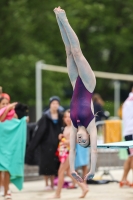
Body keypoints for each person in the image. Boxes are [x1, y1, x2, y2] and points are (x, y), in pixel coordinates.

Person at [53, 7, 97, 182]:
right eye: (83, 141)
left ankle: (58, 19)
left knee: (68, 51)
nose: (80, 140)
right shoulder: (91, 125)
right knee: (77, 53)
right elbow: (93, 150)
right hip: (87, 84)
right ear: (87, 136)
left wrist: (72, 170)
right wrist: (92, 171)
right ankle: (64, 19)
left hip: (74, 83)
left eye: (80, 142)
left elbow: (72, 150)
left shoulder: (72, 126)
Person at [51, 110, 88, 199]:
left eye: (70, 117)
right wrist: (62, 136)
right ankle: (84, 187)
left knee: (60, 172)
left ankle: (58, 193)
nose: (68, 119)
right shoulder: (66, 128)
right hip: (65, 152)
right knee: (69, 172)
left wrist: (69, 141)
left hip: (69, 152)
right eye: (66, 117)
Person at [28, 96, 63, 190]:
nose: (55, 105)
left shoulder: (60, 116)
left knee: (54, 164)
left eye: (57, 103)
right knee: (45, 163)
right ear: (50, 105)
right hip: (46, 144)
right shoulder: (45, 117)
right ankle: (46, 183)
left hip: (57, 144)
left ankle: (52, 184)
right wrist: (32, 146)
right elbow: (39, 132)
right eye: (53, 103)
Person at [0, 96, 17, 199]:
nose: (5, 106)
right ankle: (3, 188)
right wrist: (6, 110)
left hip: (8, 145)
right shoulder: (3, 114)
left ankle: (7, 190)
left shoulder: (12, 114)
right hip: (1, 145)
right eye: (3, 104)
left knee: (7, 169)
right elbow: (1, 120)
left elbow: (17, 123)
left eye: (7, 104)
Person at [120, 85, 133, 187]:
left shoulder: (127, 101)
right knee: (132, 158)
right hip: (131, 132)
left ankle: (123, 179)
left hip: (128, 132)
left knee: (130, 157)